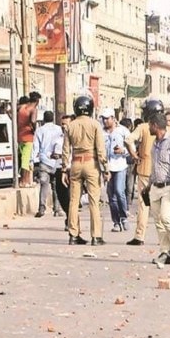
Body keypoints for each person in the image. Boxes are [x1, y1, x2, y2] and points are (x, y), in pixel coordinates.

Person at [62, 95, 108, 245]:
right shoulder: (95, 125)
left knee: (74, 201)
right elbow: (101, 149)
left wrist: (64, 169)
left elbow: (65, 150)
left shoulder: (70, 126)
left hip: (75, 163)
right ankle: (96, 236)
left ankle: (73, 234)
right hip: (91, 163)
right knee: (94, 200)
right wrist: (105, 168)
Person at [145, 113, 170, 266]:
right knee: (158, 221)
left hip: (169, 185)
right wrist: (149, 184)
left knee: (166, 216)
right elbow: (155, 166)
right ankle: (164, 251)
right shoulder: (155, 143)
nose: (149, 128)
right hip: (156, 185)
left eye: (150, 125)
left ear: (155, 125)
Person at [124, 99, 162, 246]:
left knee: (143, 204)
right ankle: (163, 237)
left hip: (145, 170)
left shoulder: (143, 127)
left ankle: (140, 236)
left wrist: (134, 155)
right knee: (160, 206)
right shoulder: (168, 128)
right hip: (161, 172)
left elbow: (128, 140)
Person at [101, 108, 130, 232]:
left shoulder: (123, 131)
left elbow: (131, 148)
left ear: (113, 118)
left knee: (119, 192)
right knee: (111, 197)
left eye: (107, 118)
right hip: (107, 167)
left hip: (120, 165)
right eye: (104, 119)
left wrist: (123, 151)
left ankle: (124, 216)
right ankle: (116, 222)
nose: (105, 121)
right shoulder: (101, 133)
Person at [32, 110, 64, 218]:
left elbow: (36, 147)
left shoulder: (39, 130)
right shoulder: (59, 129)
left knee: (44, 185)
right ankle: (57, 209)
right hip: (56, 161)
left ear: (44, 119)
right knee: (56, 186)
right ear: (53, 118)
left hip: (44, 161)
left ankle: (42, 208)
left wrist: (33, 160)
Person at [17, 92, 41, 187]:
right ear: (37, 101)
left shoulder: (22, 107)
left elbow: (9, 111)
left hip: (20, 136)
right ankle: (24, 181)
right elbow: (33, 121)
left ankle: (23, 181)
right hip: (28, 137)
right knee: (26, 160)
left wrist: (17, 123)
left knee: (23, 158)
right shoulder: (33, 109)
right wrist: (33, 128)